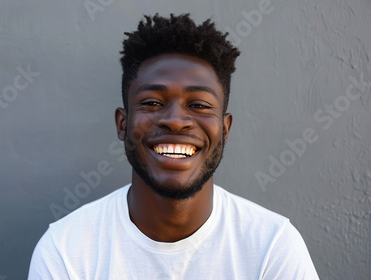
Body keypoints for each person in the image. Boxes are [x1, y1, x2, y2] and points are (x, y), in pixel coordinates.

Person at [28, 13, 319, 279]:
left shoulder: (272, 248)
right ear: (122, 124)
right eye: (152, 102)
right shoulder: (66, 250)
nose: (176, 121)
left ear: (225, 129)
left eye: (199, 105)